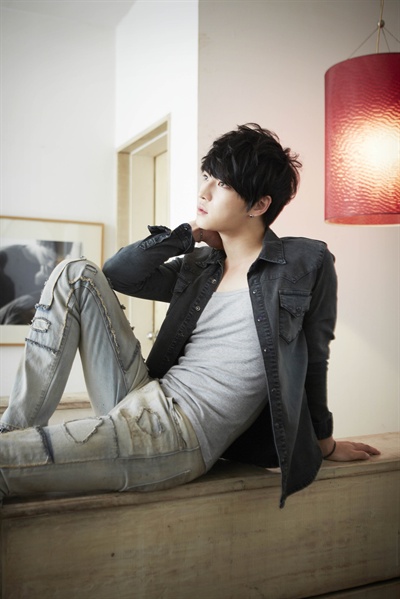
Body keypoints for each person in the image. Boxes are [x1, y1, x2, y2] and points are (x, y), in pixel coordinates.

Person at [0, 124, 379, 507]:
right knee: (75, 272)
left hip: (174, 435)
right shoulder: (201, 267)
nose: (204, 191)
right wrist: (185, 236)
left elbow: (315, 358)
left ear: (259, 205)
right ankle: (13, 429)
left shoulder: (304, 264)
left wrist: (325, 444)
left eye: (223, 184)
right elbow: (117, 273)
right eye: (207, 176)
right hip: (142, 394)